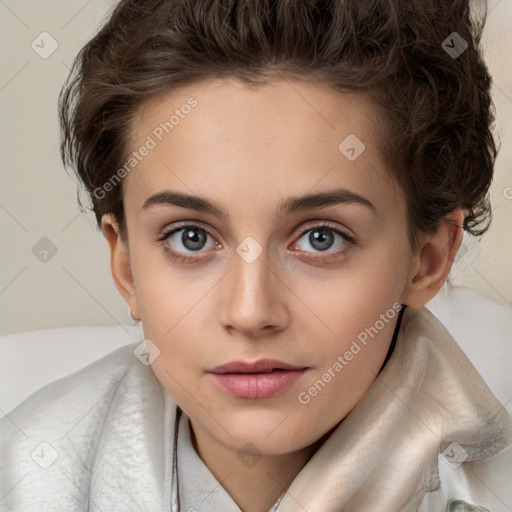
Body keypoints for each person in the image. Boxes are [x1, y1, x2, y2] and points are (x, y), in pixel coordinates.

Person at [1, 1, 511, 511]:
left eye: (320, 239)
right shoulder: (24, 477)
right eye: (191, 238)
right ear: (127, 267)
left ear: (427, 260)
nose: (250, 312)